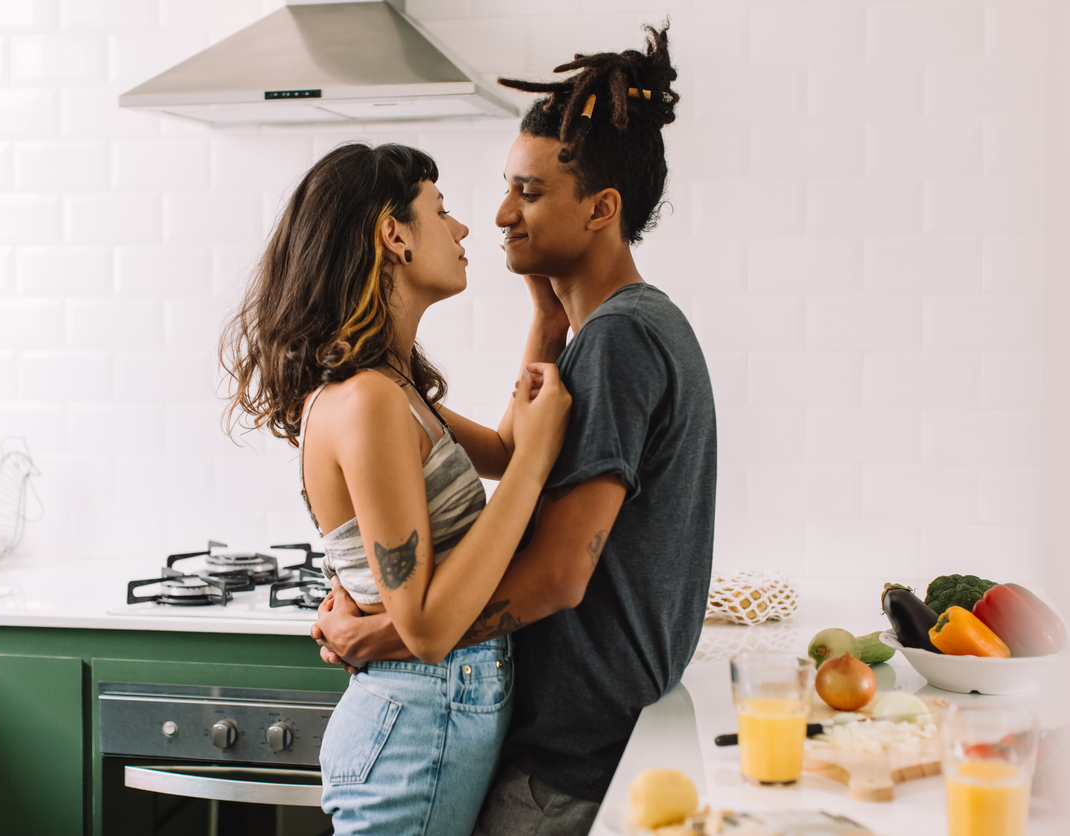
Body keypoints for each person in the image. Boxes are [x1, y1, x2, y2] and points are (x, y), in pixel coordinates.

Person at [311, 23, 717, 835]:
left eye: (527, 193)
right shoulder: (623, 329)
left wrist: (390, 635)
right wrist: (550, 318)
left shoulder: (621, 341)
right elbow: (513, 456)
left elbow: (560, 572)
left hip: (569, 757)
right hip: (579, 740)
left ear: (602, 209)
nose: (497, 215)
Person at [219, 142, 573, 836]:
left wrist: (548, 321)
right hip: (416, 717)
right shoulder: (368, 400)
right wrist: (536, 464)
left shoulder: (391, 388)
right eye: (441, 211)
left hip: (422, 715)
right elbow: (427, 627)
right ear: (394, 236)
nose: (464, 229)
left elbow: (502, 450)